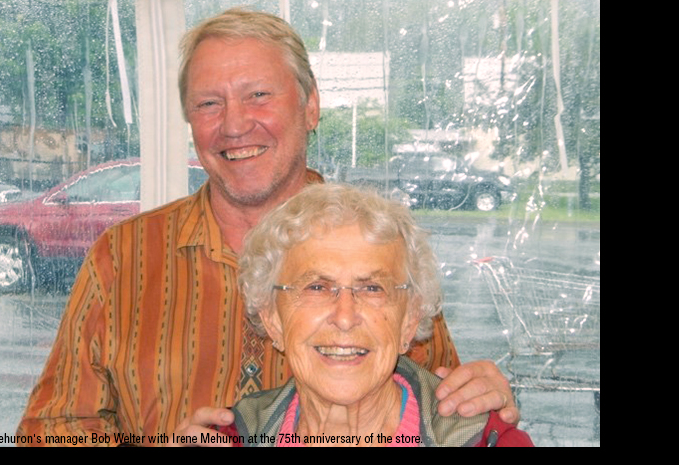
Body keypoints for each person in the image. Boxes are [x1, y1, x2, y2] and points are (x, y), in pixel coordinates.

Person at [16, 7, 517, 446]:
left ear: (311, 106)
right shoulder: (124, 256)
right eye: (209, 103)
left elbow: (442, 407)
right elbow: (49, 429)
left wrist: (477, 393)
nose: (233, 125)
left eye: (258, 95)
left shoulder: (382, 253)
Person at [208, 183, 532, 447]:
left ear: (409, 320)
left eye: (373, 289)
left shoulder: (487, 441)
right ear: (272, 319)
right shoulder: (228, 438)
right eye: (317, 288)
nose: (345, 317)